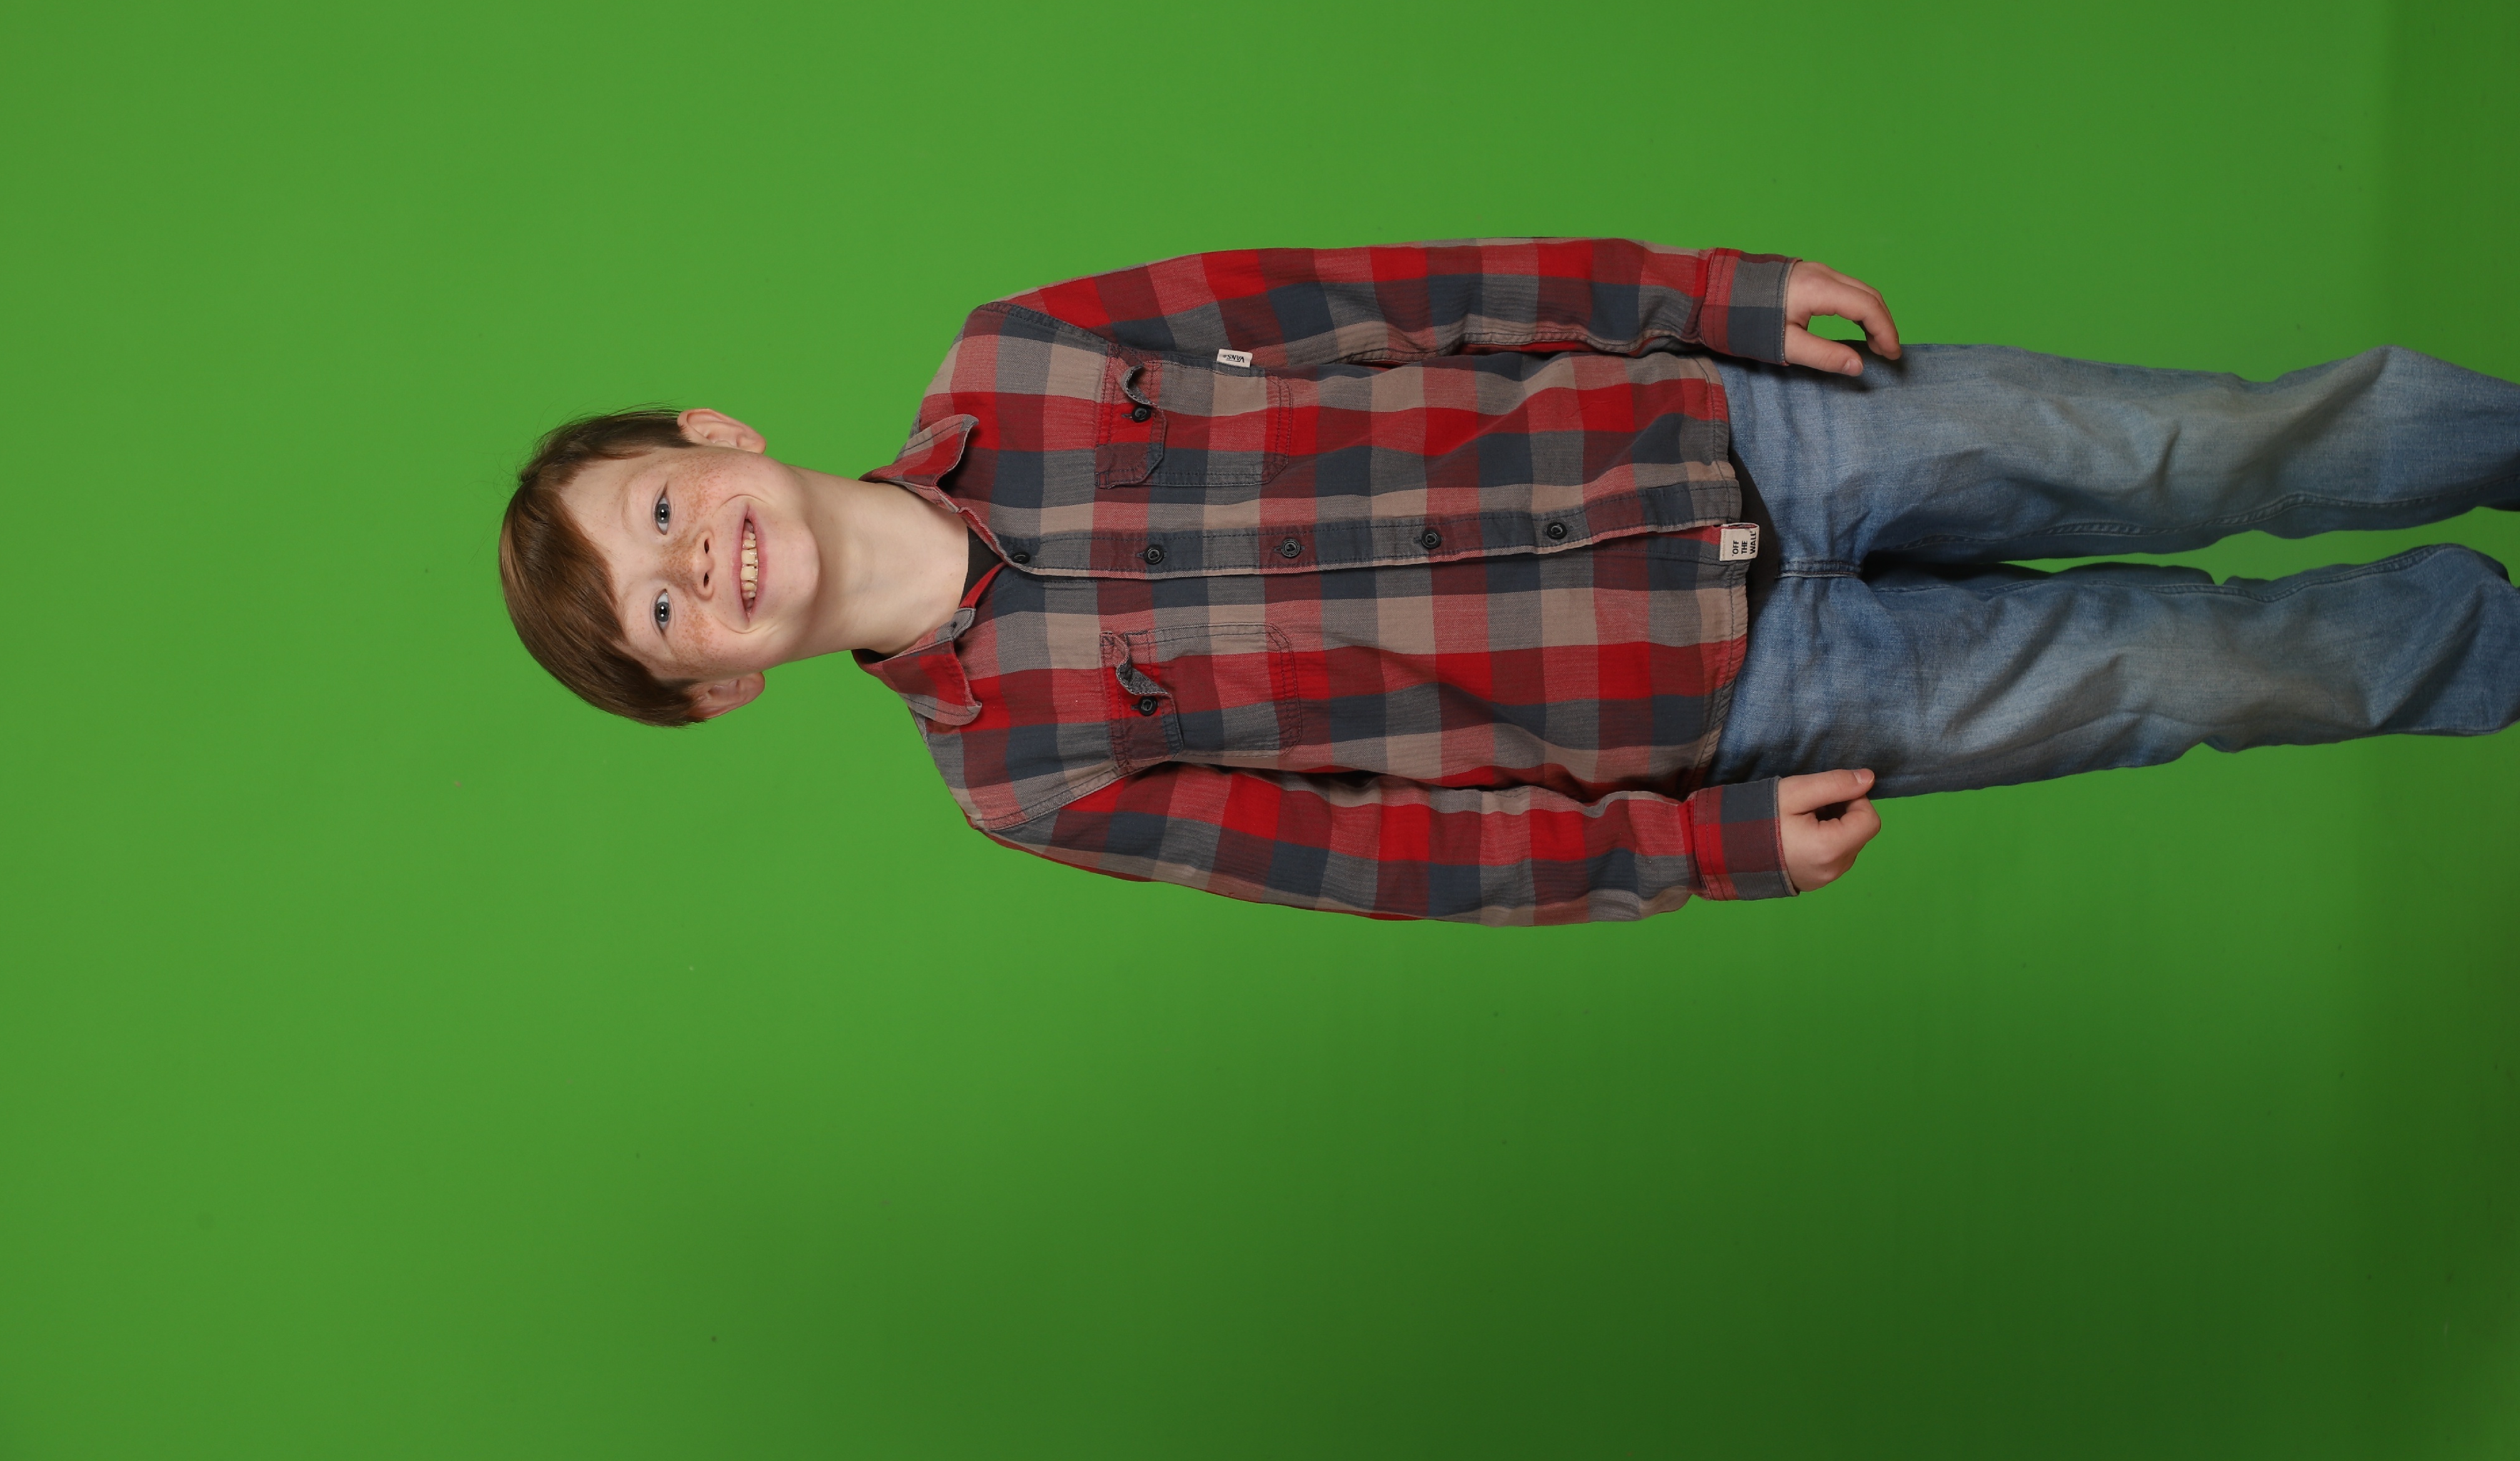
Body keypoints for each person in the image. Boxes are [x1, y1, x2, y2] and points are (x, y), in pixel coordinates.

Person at [497, 241, 2520, 923]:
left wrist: (1704, 297)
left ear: (717, 433)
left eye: (662, 508)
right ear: (716, 689)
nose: (698, 564)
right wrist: (1697, 855)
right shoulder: (1024, 781)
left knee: (2203, 447)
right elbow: (1383, 858)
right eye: (662, 611)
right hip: (1750, 708)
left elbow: (1396, 296)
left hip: (1747, 430)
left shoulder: (1025, 350)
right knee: (2200, 672)